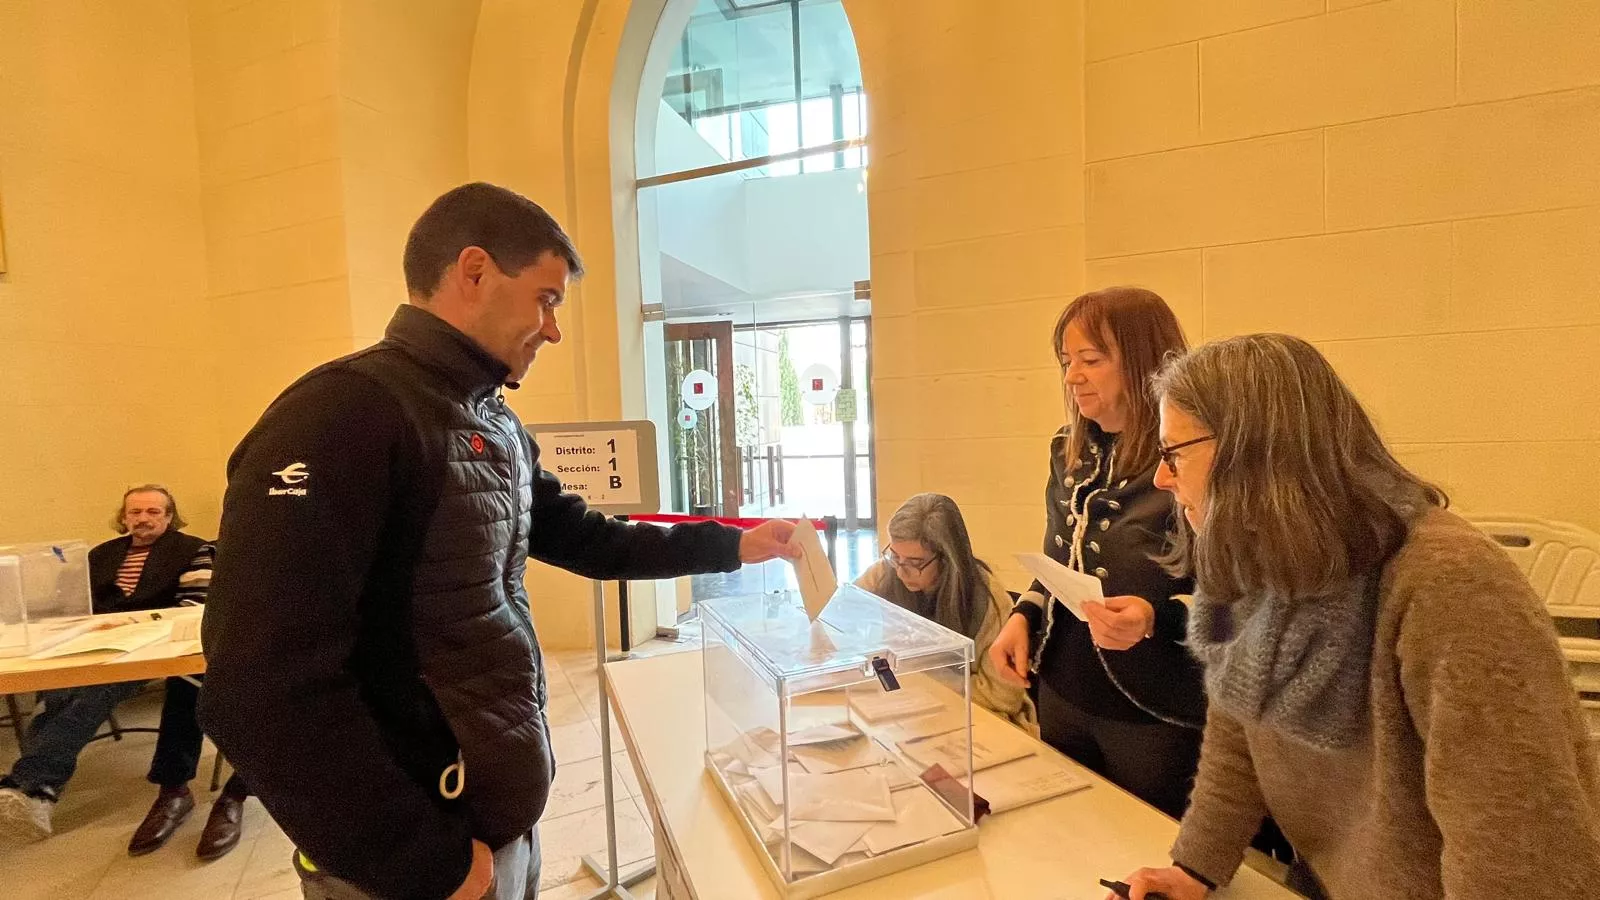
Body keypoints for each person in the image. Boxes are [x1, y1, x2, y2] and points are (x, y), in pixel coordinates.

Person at [199, 182, 797, 900]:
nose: (554, 330)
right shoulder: (342, 414)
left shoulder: (491, 422)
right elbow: (260, 687)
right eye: (546, 298)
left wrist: (733, 545)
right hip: (421, 860)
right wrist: (430, 862)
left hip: (495, 820)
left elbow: (586, 538)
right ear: (474, 271)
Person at [1113, 333, 1600, 900]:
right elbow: (1237, 738)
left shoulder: (1449, 582)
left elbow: (1519, 841)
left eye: (1173, 454)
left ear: (1255, 450)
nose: (1161, 479)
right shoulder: (1249, 563)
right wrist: (1193, 869)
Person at [986, 287, 1207, 820]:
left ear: (1145, 364)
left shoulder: (1192, 459)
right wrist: (1024, 614)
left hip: (1155, 709)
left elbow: (1233, 593)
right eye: (1067, 361)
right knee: (1071, 838)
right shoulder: (1068, 449)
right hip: (1063, 686)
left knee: (1148, 851)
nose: (1072, 376)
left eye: (1091, 359)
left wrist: (1156, 617)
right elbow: (1057, 560)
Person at [0, 485, 250, 860]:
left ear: (169, 516)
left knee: (96, 690)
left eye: (153, 511)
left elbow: (194, 608)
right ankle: (39, 786)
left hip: (151, 648)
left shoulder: (192, 550)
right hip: (92, 642)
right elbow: (71, 603)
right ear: (124, 517)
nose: (144, 519)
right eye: (136, 512)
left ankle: (32, 784)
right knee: (58, 691)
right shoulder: (101, 555)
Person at [856, 493, 1036, 730]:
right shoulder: (884, 573)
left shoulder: (990, 601)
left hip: (976, 721)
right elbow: (842, 618)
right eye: (895, 556)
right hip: (906, 712)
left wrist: (918, 693)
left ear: (947, 559)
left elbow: (1001, 698)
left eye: (914, 562)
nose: (901, 571)